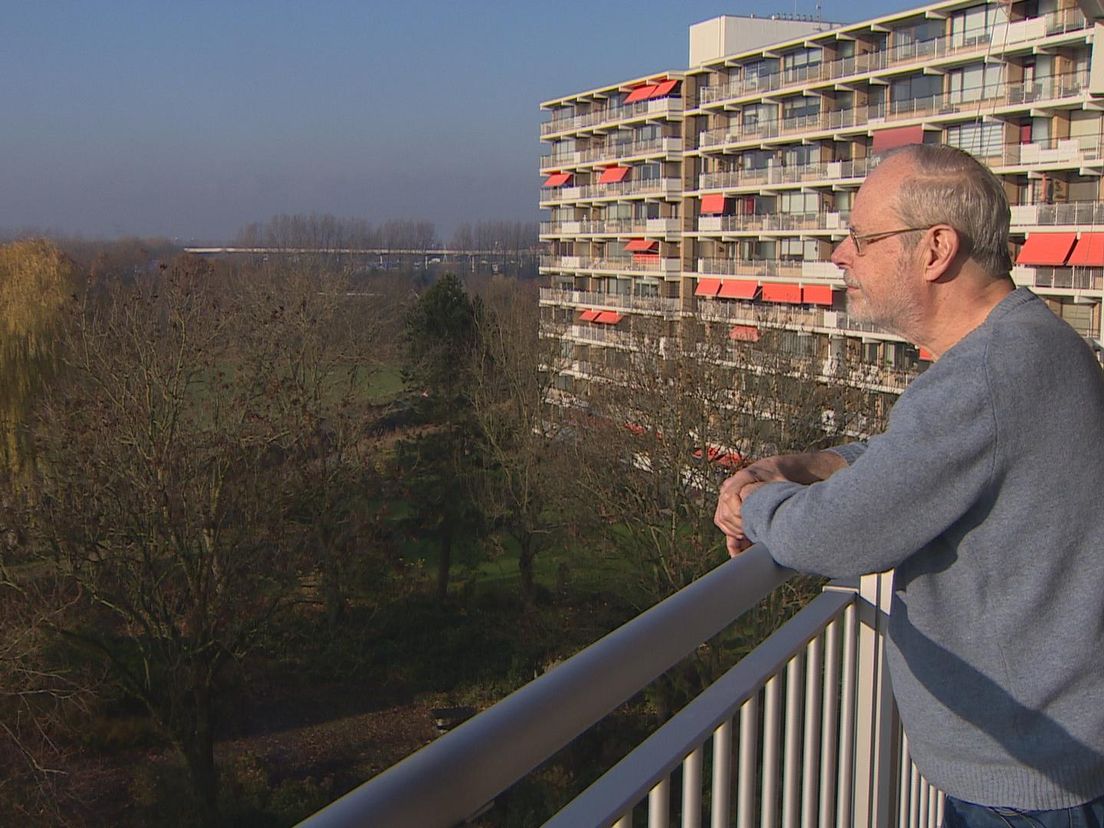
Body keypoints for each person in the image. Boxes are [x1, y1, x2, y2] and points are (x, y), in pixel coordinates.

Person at [714, 144, 1104, 826]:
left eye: (863, 238)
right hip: (1050, 758)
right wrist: (807, 464)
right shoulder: (1034, 344)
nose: (842, 254)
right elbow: (920, 458)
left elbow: (832, 536)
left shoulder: (982, 379)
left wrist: (755, 500)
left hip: (1025, 787)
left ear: (934, 251)